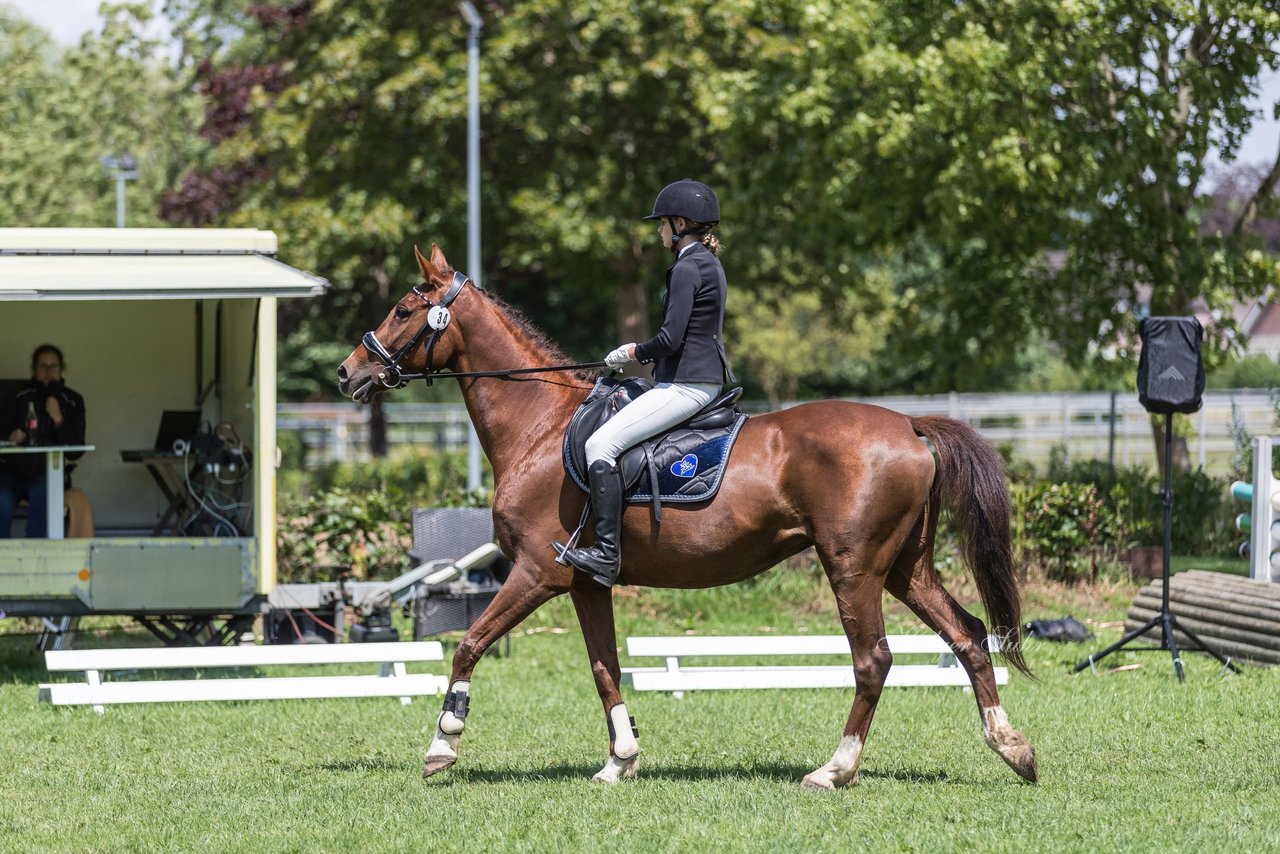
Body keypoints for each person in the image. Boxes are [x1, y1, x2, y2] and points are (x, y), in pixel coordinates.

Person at [558, 179, 736, 588]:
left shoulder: (688, 267)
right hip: (699, 378)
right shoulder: (707, 263)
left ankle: (605, 554)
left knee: (599, 445)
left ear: (680, 223)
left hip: (687, 384)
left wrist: (631, 352)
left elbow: (670, 339)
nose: (659, 232)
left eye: (662, 224)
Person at [0, 345, 87, 538]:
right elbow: (2, 432)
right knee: (2, 500)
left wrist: (58, 419)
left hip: (48, 472)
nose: (48, 373)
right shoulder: (16, 395)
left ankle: (35, 558)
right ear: (34, 369)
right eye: (43, 367)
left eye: (53, 367)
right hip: (11, 471)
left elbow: (76, 451)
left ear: (62, 369)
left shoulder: (72, 400)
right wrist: (10, 437)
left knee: (43, 498)